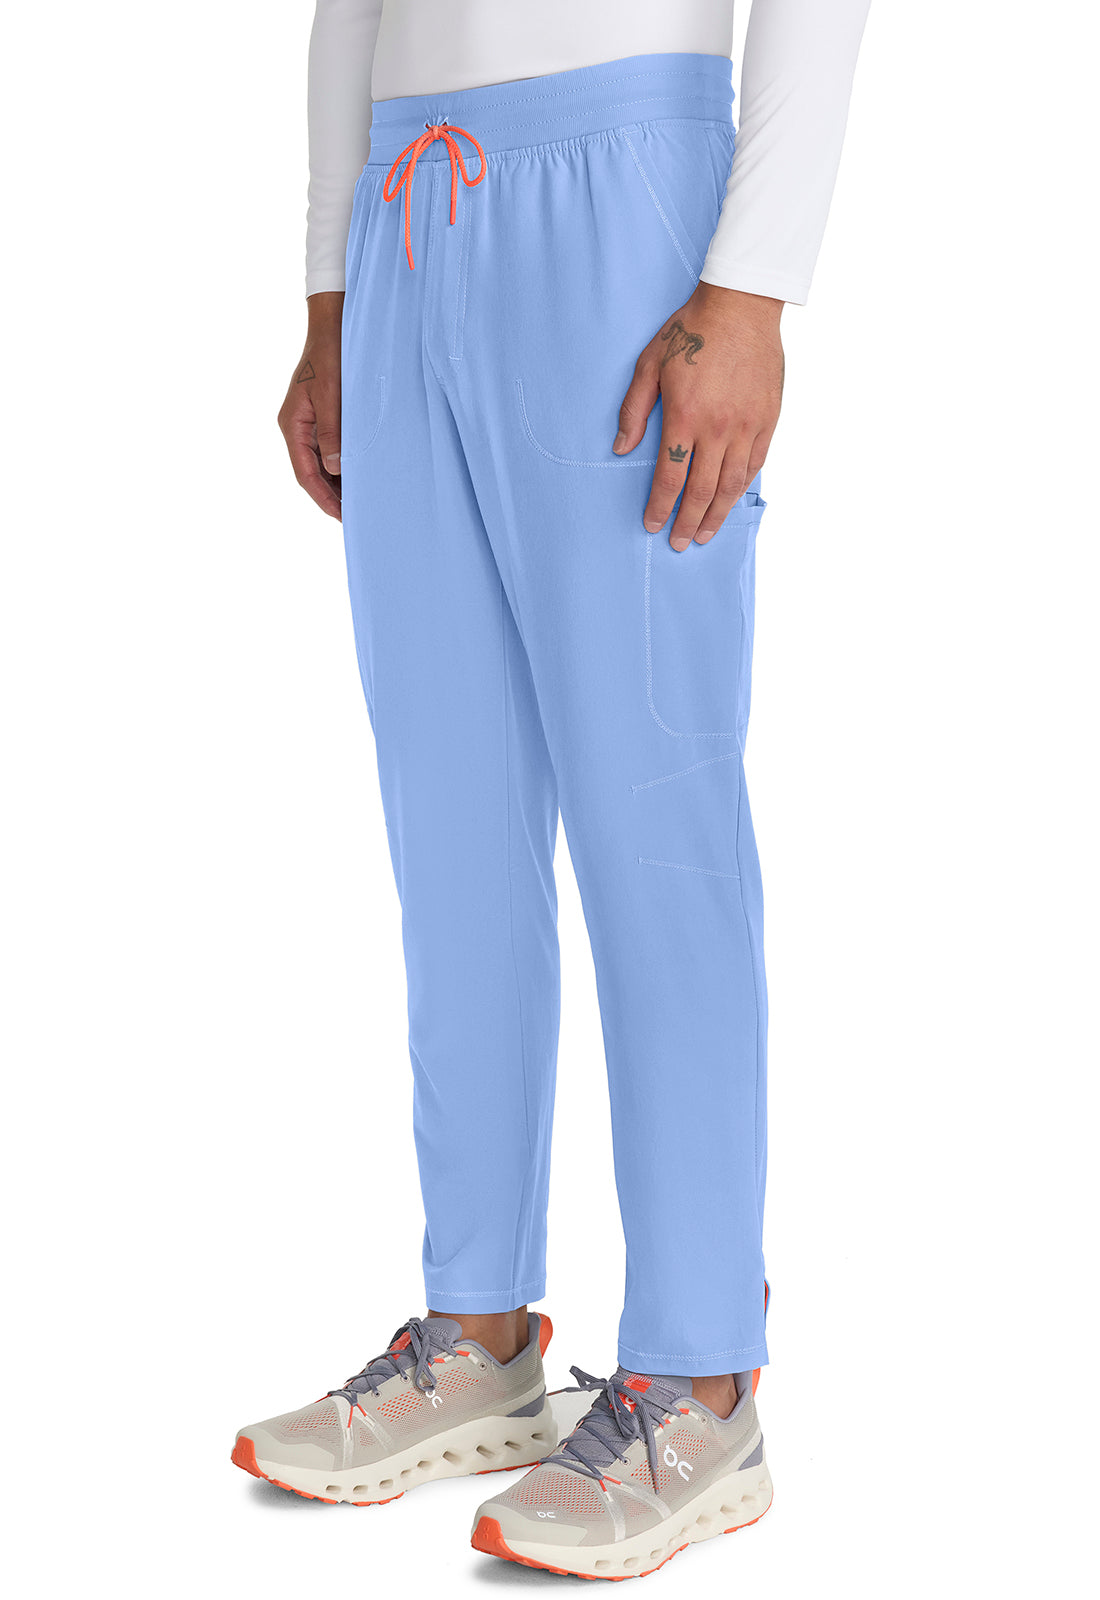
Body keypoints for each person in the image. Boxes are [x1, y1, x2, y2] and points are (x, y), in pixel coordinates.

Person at [233, 0, 869, 1577]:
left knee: (656, 819)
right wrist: (331, 294)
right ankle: (479, 1334)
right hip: (406, 215)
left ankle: (700, 1380)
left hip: (622, 200)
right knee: (448, 830)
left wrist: (753, 286)